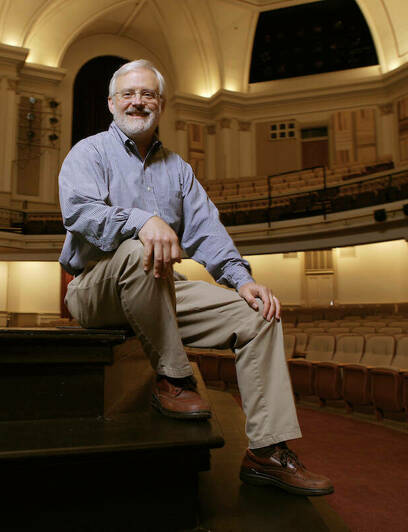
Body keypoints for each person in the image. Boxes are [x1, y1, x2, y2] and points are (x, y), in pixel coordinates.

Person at [58, 59, 333, 496]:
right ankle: (175, 378)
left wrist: (242, 280)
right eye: (128, 94)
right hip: (96, 287)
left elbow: (209, 232)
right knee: (138, 247)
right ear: (111, 104)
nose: (138, 101)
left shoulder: (178, 169)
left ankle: (267, 452)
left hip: (158, 284)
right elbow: (80, 213)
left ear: (161, 105)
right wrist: (141, 221)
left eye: (147, 94)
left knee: (258, 315)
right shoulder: (88, 153)